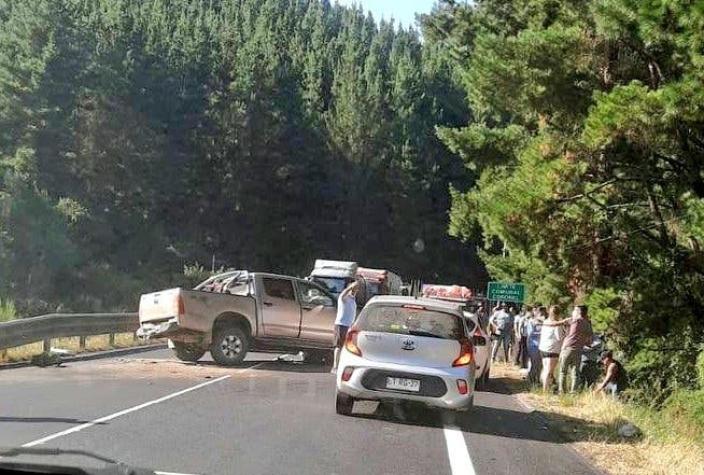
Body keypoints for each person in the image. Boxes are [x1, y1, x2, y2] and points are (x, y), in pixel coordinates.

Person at [545, 305, 594, 393]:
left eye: (574, 310)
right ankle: (573, 392)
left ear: (578, 312)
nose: (573, 312)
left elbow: (556, 324)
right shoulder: (588, 323)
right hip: (578, 350)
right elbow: (589, 342)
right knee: (575, 373)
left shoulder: (573, 320)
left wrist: (545, 323)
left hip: (567, 348)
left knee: (563, 371)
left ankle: (562, 391)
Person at [331, 281, 359, 373]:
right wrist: (350, 287)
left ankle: (342, 366)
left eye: (356, 289)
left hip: (349, 326)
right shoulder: (343, 298)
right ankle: (335, 366)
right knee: (338, 346)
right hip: (341, 324)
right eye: (353, 289)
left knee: (345, 347)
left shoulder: (352, 300)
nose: (354, 291)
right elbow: (343, 294)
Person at [539, 305, 565, 392]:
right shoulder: (557, 324)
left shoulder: (546, 321)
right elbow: (559, 337)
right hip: (553, 349)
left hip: (543, 347)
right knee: (549, 370)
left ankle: (545, 386)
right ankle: (545, 390)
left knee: (545, 367)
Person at [526, 306, 545, 385]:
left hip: (542, 345)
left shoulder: (546, 322)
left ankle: (537, 379)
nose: (543, 315)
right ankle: (531, 379)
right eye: (541, 313)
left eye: (544, 313)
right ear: (537, 313)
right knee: (534, 363)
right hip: (533, 344)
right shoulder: (531, 322)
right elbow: (530, 334)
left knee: (540, 364)